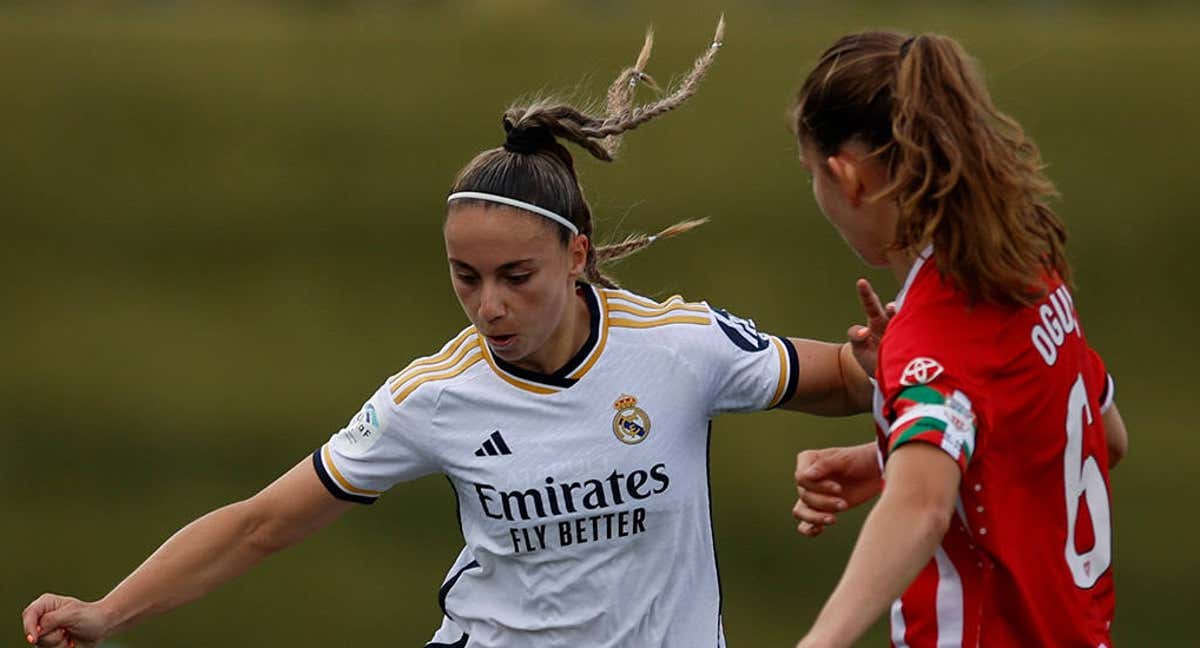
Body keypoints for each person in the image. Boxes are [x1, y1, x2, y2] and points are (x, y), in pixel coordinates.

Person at [21, 20, 879, 648]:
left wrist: (887, 363)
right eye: (465, 278)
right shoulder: (436, 395)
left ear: (576, 255)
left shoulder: (678, 346)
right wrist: (106, 612)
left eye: (516, 277)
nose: (488, 306)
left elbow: (842, 378)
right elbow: (261, 523)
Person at [785, 31, 1130, 648]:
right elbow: (1108, 438)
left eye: (812, 174)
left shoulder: (929, 341)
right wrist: (898, 456)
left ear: (848, 178)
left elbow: (922, 511)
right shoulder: (1031, 276)